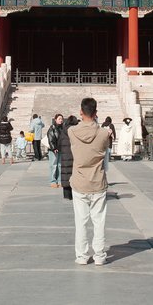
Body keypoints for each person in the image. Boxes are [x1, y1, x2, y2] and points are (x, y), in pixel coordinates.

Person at [68, 97, 111, 265]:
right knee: (99, 222)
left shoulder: (72, 131)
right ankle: (99, 256)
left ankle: (82, 256)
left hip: (79, 182)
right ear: (96, 113)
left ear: (81, 112)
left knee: (81, 222)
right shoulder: (103, 134)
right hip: (98, 182)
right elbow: (106, 146)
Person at [59, 116, 79, 201]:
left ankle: (67, 195)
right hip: (75, 156)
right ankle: (75, 194)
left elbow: (59, 143)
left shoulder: (63, 131)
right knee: (74, 174)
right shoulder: (76, 131)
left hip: (65, 157)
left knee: (66, 174)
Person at [46, 114, 64, 188]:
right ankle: (53, 181)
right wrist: (54, 148)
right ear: (55, 120)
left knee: (60, 165)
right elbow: (51, 139)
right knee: (53, 165)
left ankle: (59, 180)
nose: (61, 120)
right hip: (54, 150)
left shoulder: (63, 128)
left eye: (61, 119)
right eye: (59, 119)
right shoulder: (52, 128)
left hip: (61, 149)